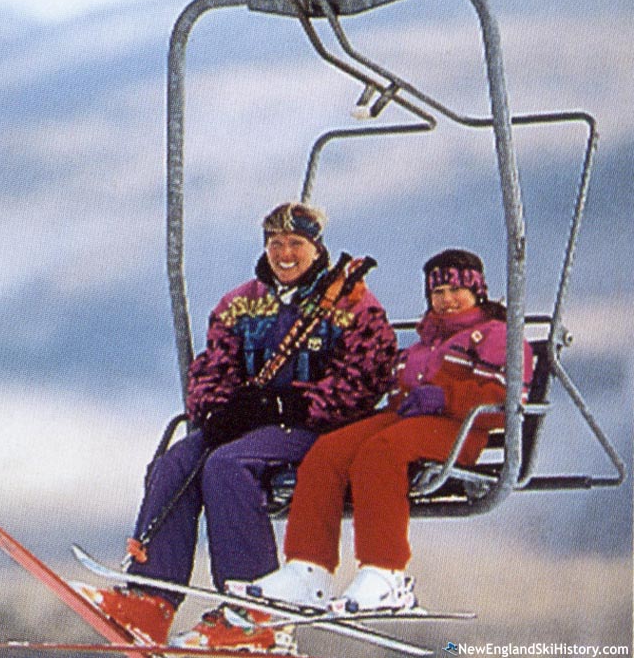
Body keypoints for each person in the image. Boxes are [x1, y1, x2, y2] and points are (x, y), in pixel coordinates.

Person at [77, 202, 398, 650]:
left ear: (316, 247)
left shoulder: (351, 304)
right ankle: (150, 598)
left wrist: (290, 404)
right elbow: (213, 366)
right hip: (251, 423)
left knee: (227, 466)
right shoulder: (242, 303)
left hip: (314, 429)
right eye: (276, 244)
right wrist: (217, 408)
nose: (285, 254)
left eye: (296, 245)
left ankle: (255, 610)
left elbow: (367, 376)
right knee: (175, 464)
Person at [245, 248, 534, 614]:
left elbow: (504, 399)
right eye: (437, 293)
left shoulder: (496, 335)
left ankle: (386, 573)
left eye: (454, 291)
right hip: (406, 422)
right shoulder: (425, 341)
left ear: (477, 292)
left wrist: (445, 397)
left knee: (379, 452)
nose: (445, 301)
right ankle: (308, 569)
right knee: (327, 451)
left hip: (459, 429)